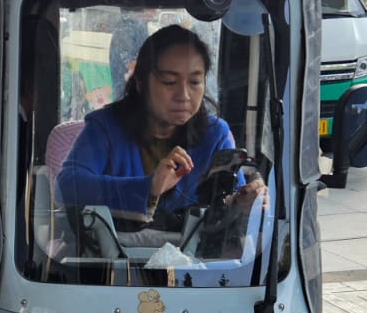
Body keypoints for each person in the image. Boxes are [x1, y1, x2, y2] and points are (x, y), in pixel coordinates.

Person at [56, 22, 263, 226]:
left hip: (193, 250)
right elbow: (66, 187)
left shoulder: (215, 134)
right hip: (114, 248)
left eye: (195, 82)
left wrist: (246, 202)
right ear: (141, 82)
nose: (184, 95)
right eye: (169, 82)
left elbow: (232, 198)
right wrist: (148, 188)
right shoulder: (105, 127)